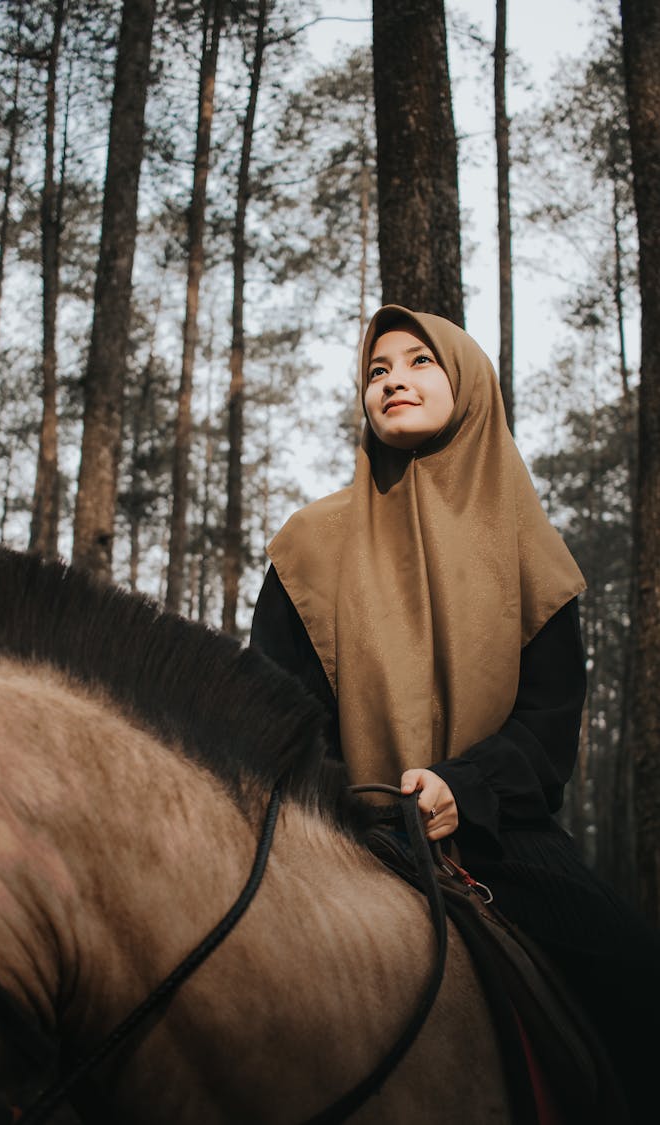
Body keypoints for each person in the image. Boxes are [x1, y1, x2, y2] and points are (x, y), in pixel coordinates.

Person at [250, 304, 660, 1123]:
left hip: (497, 837)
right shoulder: (306, 546)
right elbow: (271, 712)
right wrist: (347, 804)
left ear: (469, 384)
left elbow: (548, 729)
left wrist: (458, 789)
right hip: (336, 839)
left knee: (637, 970)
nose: (393, 379)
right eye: (376, 370)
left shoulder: (532, 548)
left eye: (418, 362)